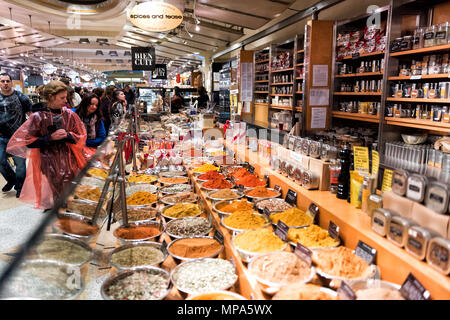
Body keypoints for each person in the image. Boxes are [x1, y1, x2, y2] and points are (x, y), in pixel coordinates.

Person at [7, 80, 87, 210]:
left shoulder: (69, 114)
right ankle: (61, 217)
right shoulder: (37, 117)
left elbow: (81, 135)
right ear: (51, 97)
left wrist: (68, 135)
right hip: (48, 161)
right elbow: (29, 142)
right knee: (56, 191)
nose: (65, 101)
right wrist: (50, 138)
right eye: (62, 97)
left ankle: (66, 214)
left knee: (69, 189)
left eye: (66, 97)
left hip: (70, 160)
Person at [0, 73, 32, 197]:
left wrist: (28, 131)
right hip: (1, 137)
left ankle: (20, 187)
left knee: (20, 165)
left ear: (11, 82)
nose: (5, 83)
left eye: (7, 81)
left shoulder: (21, 97)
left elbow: (31, 115)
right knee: (1, 161)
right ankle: (11, 179)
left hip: (18, 137)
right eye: (2, 81)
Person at [75, 93, 106, 159]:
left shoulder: (98, 117)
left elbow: (102, 137)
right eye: (91, 104)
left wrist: (85, 143)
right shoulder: (74, 115)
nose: (94, 107)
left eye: (96, 105)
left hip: (91, 151)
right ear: (85, 103)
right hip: (75, 152)